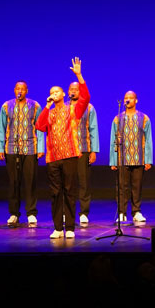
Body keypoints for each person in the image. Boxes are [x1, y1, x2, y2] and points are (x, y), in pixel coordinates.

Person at [35, 57, 90, 239]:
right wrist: (47, 105)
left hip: (70, 156)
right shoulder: (48, 113)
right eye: (52, 92)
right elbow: (40, 126)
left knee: (69, 191)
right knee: (55, 193)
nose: (54, 94)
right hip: (53, 158)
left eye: (57, 92)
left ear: (63, 95)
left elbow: (86, 98)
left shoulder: (72, 110)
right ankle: (58, 227)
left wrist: (79, 75)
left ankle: (71, 228)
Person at [0, 81, 45, 226]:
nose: (20, 91)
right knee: (13, 182)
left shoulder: (35, 106)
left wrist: (41, 147)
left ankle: (31, 213)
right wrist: (0, 148)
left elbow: (40, 127)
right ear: (14, 90)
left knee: (30, 182)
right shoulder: (7, 106)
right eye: (18, 88)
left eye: (23, 89)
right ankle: (14, 214)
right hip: (11, 148)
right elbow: (1, 128)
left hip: (30, 148)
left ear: (27, 91)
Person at [109, 91, 152, 223]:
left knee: (136, 186)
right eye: (126, 98)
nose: (128, 100)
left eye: (130, 98)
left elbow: (148, 139)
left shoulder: (144, 118)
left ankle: (136, 211)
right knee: (122, 186)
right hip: (122, 158)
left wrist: (148, 159)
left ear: (136, 100)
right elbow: (113, 140)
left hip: (138, 158)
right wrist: (113, 160)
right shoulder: (118, 119)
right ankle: (122, 212)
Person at [67, 81, 99, 224]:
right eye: (71, 89)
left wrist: (93, 151)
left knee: (83, 181)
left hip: (83, 149)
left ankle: (84, 212)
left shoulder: (89, 108)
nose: (73, 91)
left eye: (76, 89)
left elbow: (93, 129)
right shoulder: (62, 107)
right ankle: (67, 211)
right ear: (68, 92)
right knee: (67, 182)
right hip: (66, 150)